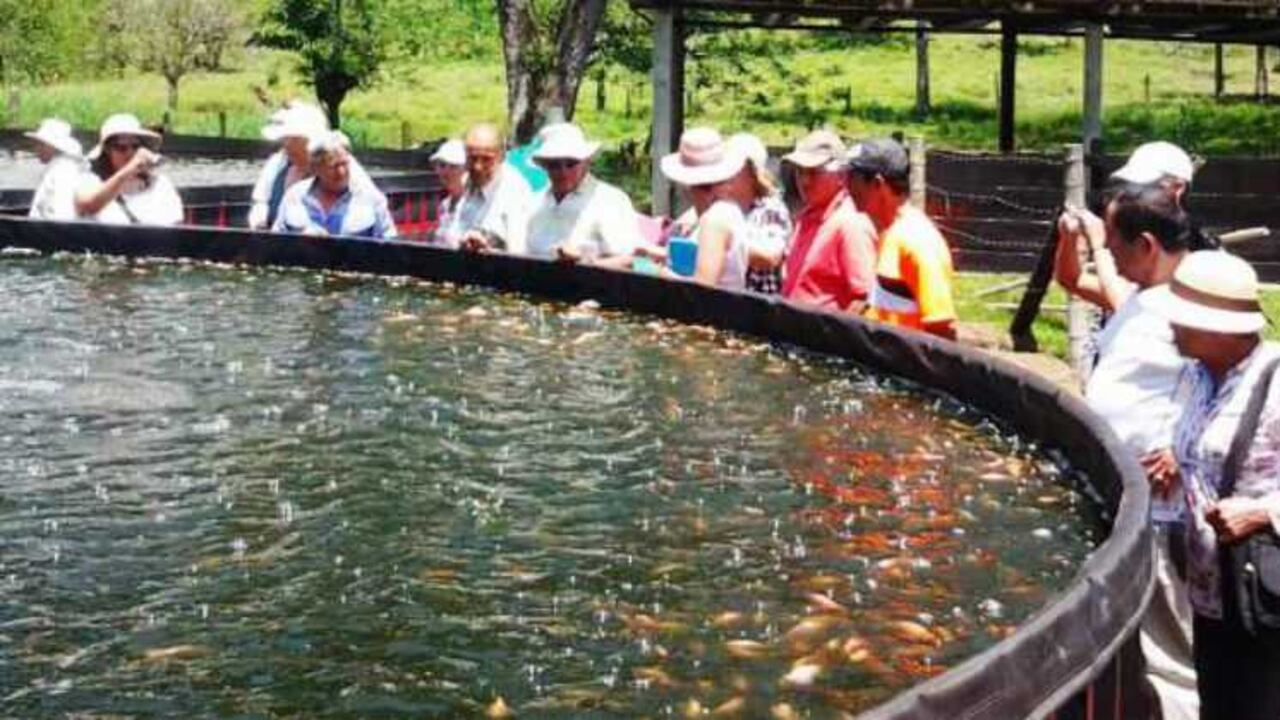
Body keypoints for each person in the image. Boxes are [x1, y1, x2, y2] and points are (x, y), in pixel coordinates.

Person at [1075, 184, 1212, 720]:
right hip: (1128, 497)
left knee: (1168, 652)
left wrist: (1181, 448)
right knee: (1135, 648)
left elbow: (1225, 381)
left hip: (1161, 506)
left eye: (1113, 241)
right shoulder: (1144, 296)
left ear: (1147, 245)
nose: (1107, 251)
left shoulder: (1195, 307)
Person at [1148, 250, 1280, 720]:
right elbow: (1204, 440)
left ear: (1220, 328)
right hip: (1211, 588)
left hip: (1264, 596)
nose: (1172, 329)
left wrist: (1264, 512)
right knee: (1220, 703)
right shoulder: (1195, 374)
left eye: (1182, 320)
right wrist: (1176, 458)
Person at [1055, 141, 1198, 314]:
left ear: (1177, 189)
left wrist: (1100, 249)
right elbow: (1072, 280)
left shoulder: (1197, 272)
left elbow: (1133, 308)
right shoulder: (1140, 269)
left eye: (1146, 188)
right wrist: (1069, 237)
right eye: (1129, 187)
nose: (1132, 194)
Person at [848, 138, 956, 339]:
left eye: (852, 178)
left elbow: (941, 329)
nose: (847, 187)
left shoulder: (918, 241)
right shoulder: (889, 232)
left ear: (878, 184)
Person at [779, 129, 878, 311]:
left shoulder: (850, 224)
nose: (804, 181)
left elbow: (865, 299)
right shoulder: (806, 218)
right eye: (800, 172)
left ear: (841, 175)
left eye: (813, 172)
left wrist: (837, 338)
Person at [248, 101, 377, 231]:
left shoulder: (345, 166)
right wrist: (259, 222)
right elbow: (260, 201)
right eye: (285, 139)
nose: (285, 145)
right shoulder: (278, 163)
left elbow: (372, 206)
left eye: (292, 139)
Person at [526, 123, 641, 265]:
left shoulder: (610, 201)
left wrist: (584, 263)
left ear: (586, 162)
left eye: (571, 163)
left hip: (592, 284)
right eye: (554, 165)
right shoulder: (533, 202)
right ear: (545, 166)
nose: (563, 172)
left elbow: (628, 260)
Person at [272, 131, 397, 240]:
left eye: (345, 164)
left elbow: (389, 245)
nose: (341, 172)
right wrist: (301, 243)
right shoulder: (294, 196)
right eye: (334, 166)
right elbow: (275, 243)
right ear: (316, 168)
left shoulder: (371, 198)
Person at [74, 114, 183, 226]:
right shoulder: (90, 181)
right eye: (121, 148)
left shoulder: (160, 184)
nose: (130, 153)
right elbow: (87, 206)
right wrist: (129, 170)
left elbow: (175, 228)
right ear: (107, 151)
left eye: (135, 147)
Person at [449, 123, 534, 254]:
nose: (478, 166)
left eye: (486, 159)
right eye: (472, 158)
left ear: (502, 156)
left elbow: (518, 255)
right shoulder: (462, 182)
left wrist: (488, 249)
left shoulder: (515, 193)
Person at [725, 132, 792, 294]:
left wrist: (723, 245)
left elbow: (770, 257)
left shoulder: (771, 210)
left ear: (751, 172)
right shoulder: (724, 205)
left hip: (759, 305)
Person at [24, 118, 84, 221]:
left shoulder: (63, 172)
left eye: (41, 144)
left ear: (53, 146)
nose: (36, 149)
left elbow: (63, 216)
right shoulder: (59, 167)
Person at [428, 139, 467, 248]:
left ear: (466, 169)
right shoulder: (444, 205)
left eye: (453, 166)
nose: (446, 171)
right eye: (442, 165)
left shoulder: (473, 204)